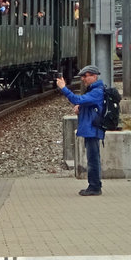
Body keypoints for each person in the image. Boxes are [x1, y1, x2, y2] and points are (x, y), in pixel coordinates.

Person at [55, 64, 105, 196]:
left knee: (93, 159)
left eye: (85, 76)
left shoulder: (97, 91)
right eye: (82, 76)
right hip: (91, 129)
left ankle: (94, 187)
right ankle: (94, 185)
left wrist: (63, 88)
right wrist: (81, 108)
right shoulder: (94, 90)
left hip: (93, 130)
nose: (83, 79)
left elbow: (77, 99)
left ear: (94, 76)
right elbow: (87, 105)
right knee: (92, 158)